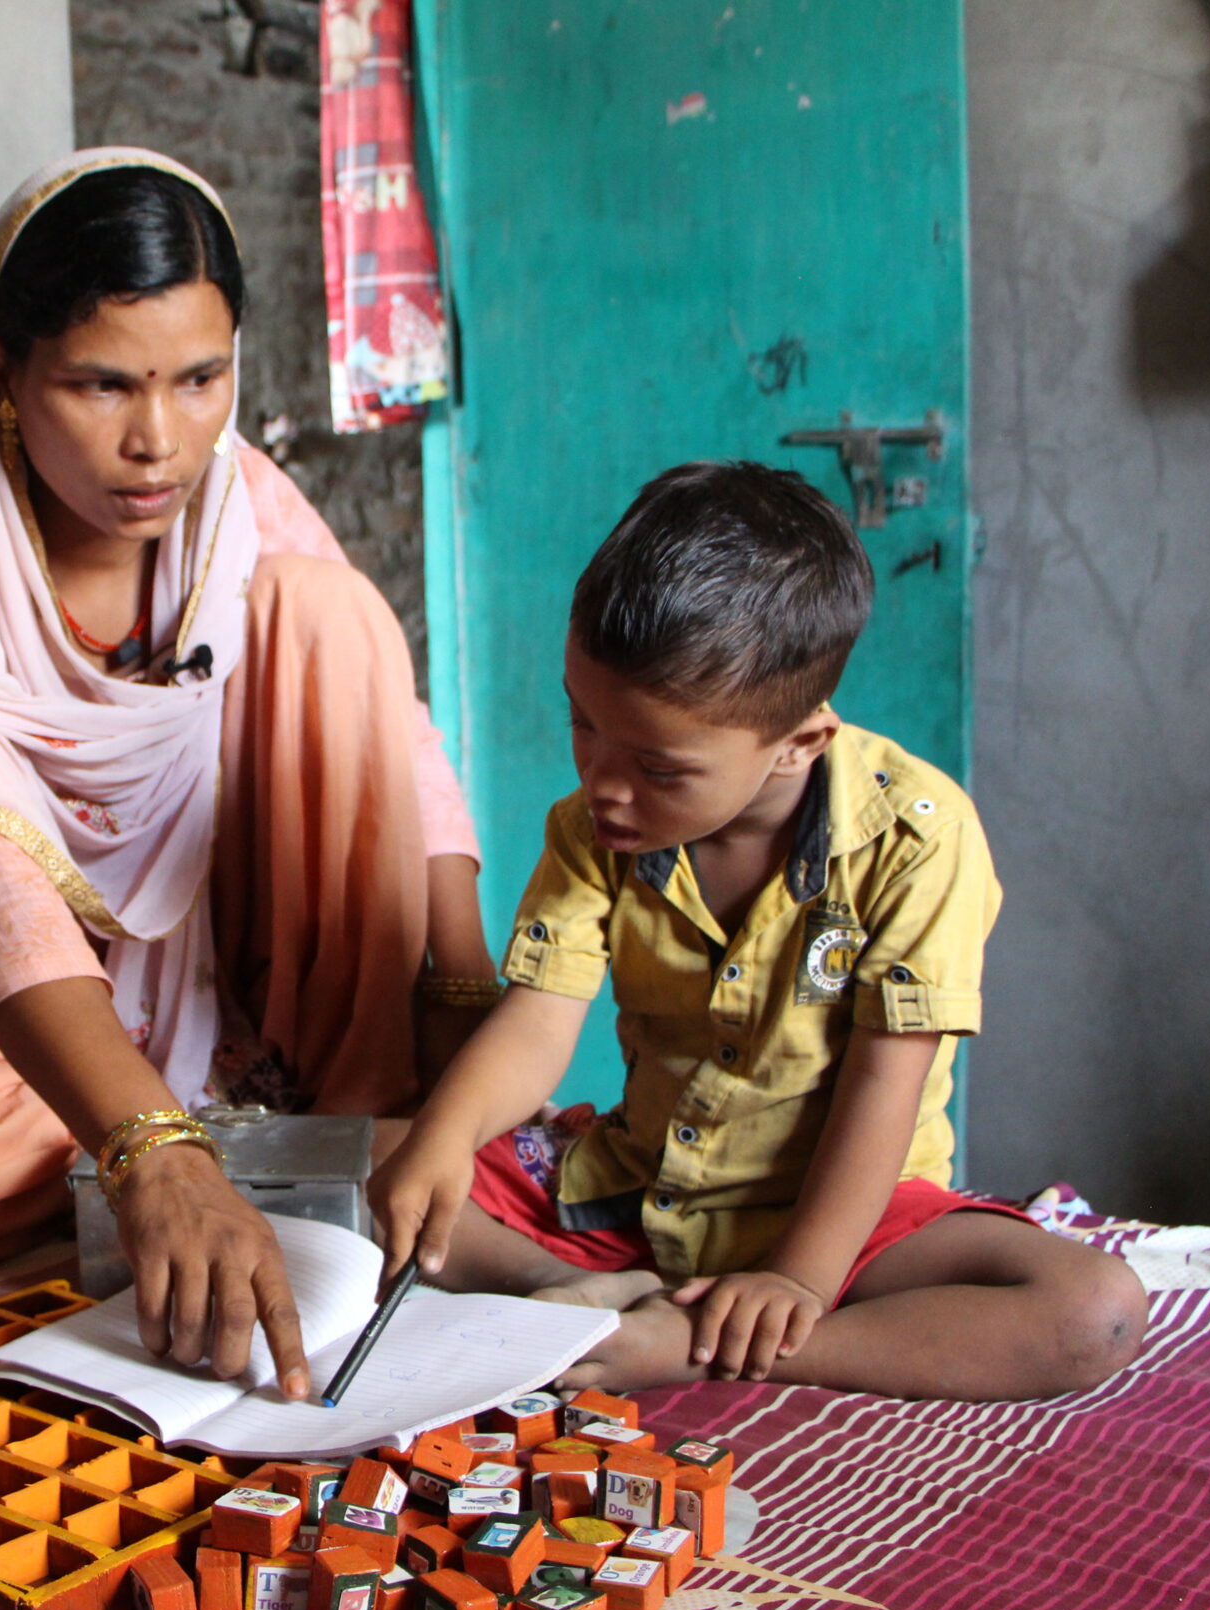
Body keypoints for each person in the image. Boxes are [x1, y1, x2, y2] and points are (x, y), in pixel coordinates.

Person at [0, 149, 495, 1401]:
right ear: (2, 372)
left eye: (201, 379)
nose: (160, 442)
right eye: (102, 385)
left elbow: (391, 730)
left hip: (243, 993)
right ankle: (273, 1160)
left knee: (329, 615)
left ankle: (333, 1118)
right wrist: (152, 1151)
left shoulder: (242, 501)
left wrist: (461, 994)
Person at [368, 461, 1148, 1400]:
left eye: (659, 768)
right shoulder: (592, 830)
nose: (603, 783)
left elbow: (883, 1087)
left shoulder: (917, 842)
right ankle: (584, 1298)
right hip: (642, 1190)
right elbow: (538, 1020)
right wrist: (447, 1137)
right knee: (377, 1160)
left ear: (799, 743)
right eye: (583, 723)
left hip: (845, 1216)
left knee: (1095, 1307)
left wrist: (798, 1283)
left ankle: (705, 1342)